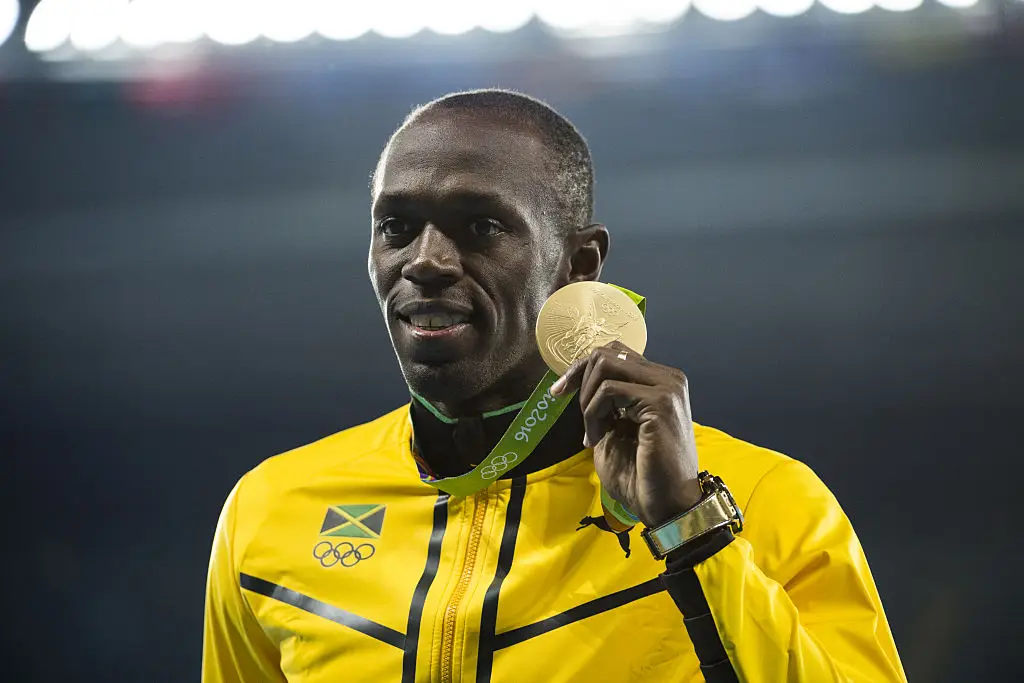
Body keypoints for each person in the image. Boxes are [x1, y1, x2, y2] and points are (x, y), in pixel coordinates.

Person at [202, 89, 907, 683]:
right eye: (397, 227)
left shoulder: (766, 502)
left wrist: (689, 528)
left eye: (480, 226)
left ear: (580, 262)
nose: (426, 260)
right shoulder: (270, 511)